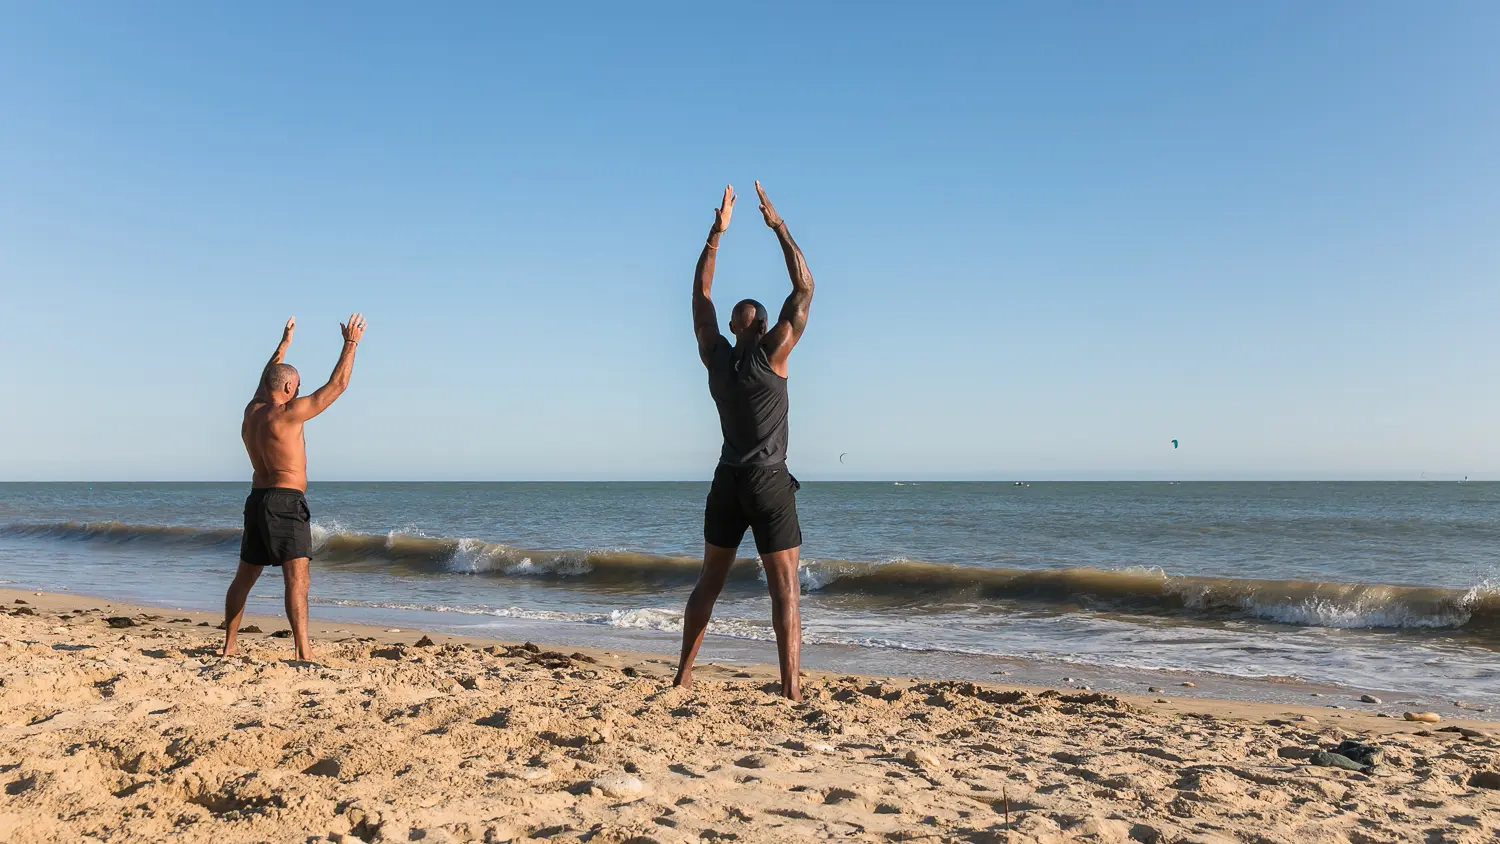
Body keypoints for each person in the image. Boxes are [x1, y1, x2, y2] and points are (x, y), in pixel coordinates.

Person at [674, 182, 815, 700]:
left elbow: (700, 298)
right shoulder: (772, 355)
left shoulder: (717, 358)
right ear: (763, 327)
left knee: (709, 580)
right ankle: (791, 691)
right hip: (769, 482)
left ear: (736, 327)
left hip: (726, 481)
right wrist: (778, 226)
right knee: (786, 588)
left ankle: (682, 678)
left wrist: (717, 234)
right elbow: (804, 289)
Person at [222, 313, 367, 660]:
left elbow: (266, 377)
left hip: (256, 501)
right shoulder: (287, 414)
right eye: (297, 386)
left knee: (245, 575)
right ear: (288, 388)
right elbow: (337, 386)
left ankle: (229, 644)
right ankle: (303, 651)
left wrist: (284, 343)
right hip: (285, 501)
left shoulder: (251, 411)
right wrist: (351, 344)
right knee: (297, 577)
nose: (299, 390)